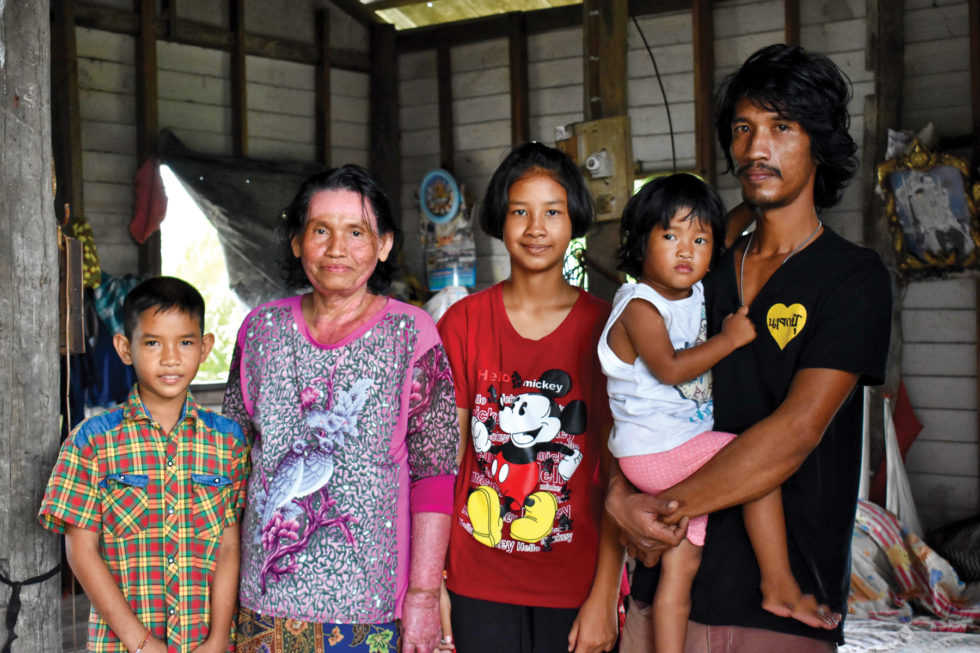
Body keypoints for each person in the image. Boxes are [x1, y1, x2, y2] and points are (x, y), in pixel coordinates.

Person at [607, 44, 893, 652]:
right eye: (744, 128)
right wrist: (615, 495)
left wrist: (656, 509)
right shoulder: (698, 266)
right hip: (663, 596)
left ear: (818, 142)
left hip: (780, 607)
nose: (755, 148)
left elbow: (794, 432)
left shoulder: (851, 277)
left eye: (781, 127)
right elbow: (627, 384)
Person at [224, 165, 460, 653]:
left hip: (371, 610)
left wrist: (422, 594)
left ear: (385, 244)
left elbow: (434, 475)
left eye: (357, 232)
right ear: (297, 242)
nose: (337, 249)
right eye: (320, 231)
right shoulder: (259, 333)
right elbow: (229, 463)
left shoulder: (411, 335)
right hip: (264, 604)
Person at [601, 173, 841, 653]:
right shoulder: (640, 306)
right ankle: (778, 585)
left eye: (699, 240)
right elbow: (669, 369)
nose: (686, 249)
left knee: (681, 565)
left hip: (669, 449)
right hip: (656, 453)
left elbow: (725, 228)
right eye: (669, 236)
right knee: (752, 463)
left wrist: (755, 205)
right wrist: (728, 340)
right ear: (640, 242)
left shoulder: (689, 292)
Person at [437, 142, 620, 653]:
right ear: (500, 217)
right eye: (520, 211)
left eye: (552, 212)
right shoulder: (463, 323)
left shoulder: (607, 328)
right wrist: (433, 580)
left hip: (575, 578)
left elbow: (616, 471)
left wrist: (606, 591)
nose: (536, 228)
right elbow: (445, 462)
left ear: (574, 220)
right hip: (475, 577)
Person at [39, 276, 247, 653]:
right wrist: (142, 643)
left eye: (185, 342)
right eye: (152, 342)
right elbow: (80, 552)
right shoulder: (92, 442)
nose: (170, 357)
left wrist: (217, 638)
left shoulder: (228, 441)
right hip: (122, 646)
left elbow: (230, 546)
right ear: (124, 348)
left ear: (205, 348)